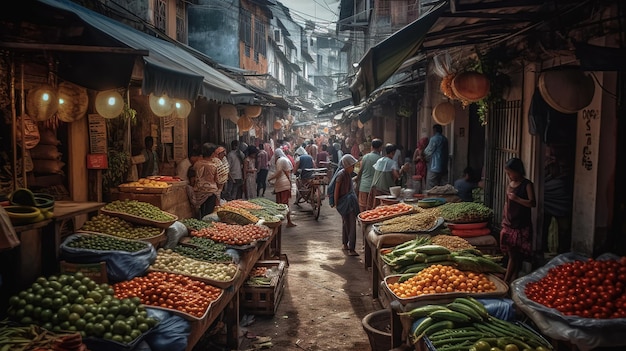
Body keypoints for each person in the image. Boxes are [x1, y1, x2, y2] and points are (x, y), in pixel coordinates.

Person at [500, 157, 536, 283]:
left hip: (521, 225)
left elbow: (532, 203)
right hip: (510, 224)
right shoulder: (510, 185)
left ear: (518, 171)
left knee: (516, 256)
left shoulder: (527, 185)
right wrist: (505, 217)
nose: (509, 176)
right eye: (508, 174)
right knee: (512, 255)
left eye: (510, 173)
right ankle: (511, 280)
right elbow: (506, 203)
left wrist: (517, 199)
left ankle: (507, 281)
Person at [330, 154, 360, 256]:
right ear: (347, 165)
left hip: (348, 202)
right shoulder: (341, 174)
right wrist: (336, 203)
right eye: (352, 166)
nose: (353, 168)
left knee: (346, 223)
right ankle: (351, 248)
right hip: (345, 203)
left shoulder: (347, 174)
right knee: (351, 225)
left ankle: (345, 244)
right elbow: (336, 191)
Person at [368, 144, 407, 208]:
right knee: (386, 208)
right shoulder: (392, 163)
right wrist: (402, 169)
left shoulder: (379, 160)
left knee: (375, 208)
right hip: (385, 190)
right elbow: (397, 176)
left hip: (375, 188)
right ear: (393, 152)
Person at [267, 148, 297, 227]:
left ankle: (282, 221)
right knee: (284, 204)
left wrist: (271, 178)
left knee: (282, 204)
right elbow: (287, 173)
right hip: (283, 184)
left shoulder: (280, 161)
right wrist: (289, 183)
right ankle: (285, 221)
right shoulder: (284, 159)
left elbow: (279, 172)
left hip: (282, 184)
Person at [192, 143, 223, 218]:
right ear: (212, 154)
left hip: (198, 192)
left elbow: (193, 177)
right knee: (208, 214)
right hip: (210, 192)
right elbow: (216, 180)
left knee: (200, 212)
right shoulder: (214, 166)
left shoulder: (196, 164)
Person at [355, 138, 383, 212]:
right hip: (375, 189)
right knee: (374, 211)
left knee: (363, 210)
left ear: (371, 147)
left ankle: (363, 223)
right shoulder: (381, 159)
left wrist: (357, 180)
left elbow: (359, 171)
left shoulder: (365, 157)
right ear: (380, 148)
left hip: (364, 187)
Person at [423, 124, 449, 189]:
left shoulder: (434, 139)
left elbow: (428, 151)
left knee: (431, 187)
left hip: (434, 167)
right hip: (444, 167)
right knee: (443, 188)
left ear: (434, 130)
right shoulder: (445, 139)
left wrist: (422, 152)